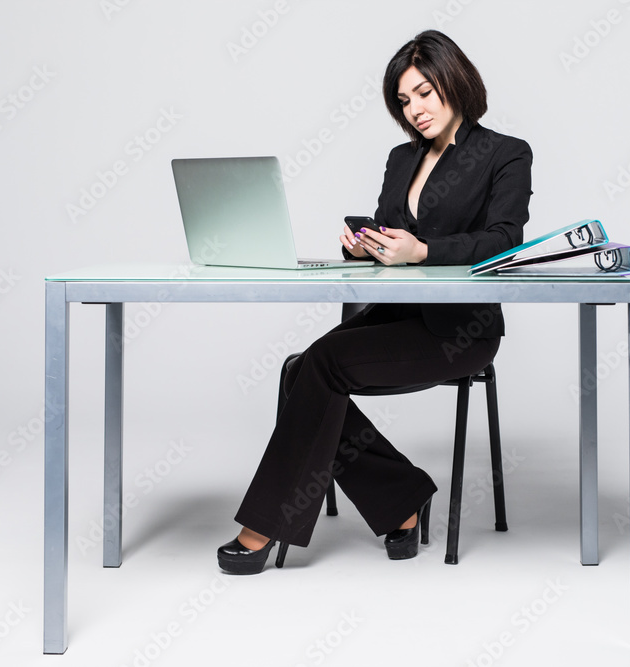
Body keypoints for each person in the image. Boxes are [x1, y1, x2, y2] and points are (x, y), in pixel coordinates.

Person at [217, 29, 532, 574]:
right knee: (299, 370)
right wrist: (366, 244)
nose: (416, 111)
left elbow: (505, 240)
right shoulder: (400, 158)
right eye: (405, 101)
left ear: (455, 82)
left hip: (459, 331)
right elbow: (394, 235)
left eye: (425, 93)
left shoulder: (504, 154)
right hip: (392, 315)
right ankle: (402, 500)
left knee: (321, 364)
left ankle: (264, 525)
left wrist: (424, 250)